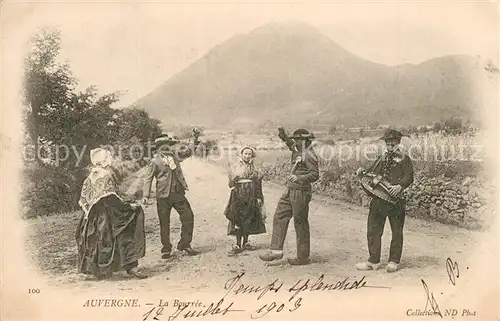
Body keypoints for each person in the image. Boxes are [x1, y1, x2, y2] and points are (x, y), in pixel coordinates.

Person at [75, 148, 147, 280]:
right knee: (125, 228)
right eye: (108, 158)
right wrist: (129, 206)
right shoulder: (106, 175)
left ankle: (100, 270)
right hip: (107, 213)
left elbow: (87, 199)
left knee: (95, 238)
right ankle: (131, 266)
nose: (111, 160)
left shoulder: (90, 177)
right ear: (104, 161)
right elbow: (112, 199)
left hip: (91, 216)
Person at [355, 129, 414, 273]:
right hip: (379, 199)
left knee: (396, 231)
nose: (390, 145)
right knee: (373, 229)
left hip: (396, 200)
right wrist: (362, 172)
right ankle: (373, 261)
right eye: (388, 143)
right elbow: (373, 172)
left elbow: (410, 176)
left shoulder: (405, 159)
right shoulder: (382, 158)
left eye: (393, 143)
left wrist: (400, 186)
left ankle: (394, 261)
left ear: (398, 143)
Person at [259, 127, 319, 265]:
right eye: (294, 140)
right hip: (290, 190)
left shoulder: (309, 154)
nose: (294, 142)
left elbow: (315, 175)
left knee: (300, 222)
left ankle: (303, 257)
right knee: (280, 215)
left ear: (304, 140)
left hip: (301, 192)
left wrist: (299, 178)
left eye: (297, 139)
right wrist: (282, 135)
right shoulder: (298, 149)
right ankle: (276, 251)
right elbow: (288, 143)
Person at [142, 131, 201, 259]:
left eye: (168, 145)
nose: (166, 147)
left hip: (178, 194)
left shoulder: (176, 157)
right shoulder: (154, 161)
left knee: (188, 216)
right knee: (164, 222)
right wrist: (146, 195)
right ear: (158, 148)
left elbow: (189, 152)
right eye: (163, 145)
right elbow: (148, 178)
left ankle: (185, 244)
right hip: (163, 195)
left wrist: (195, 139)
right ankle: (166, 248)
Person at [223, 146, 266, 256]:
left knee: (249, 217)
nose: (247, 156)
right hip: (238, 193)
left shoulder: (255, 167)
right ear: (241, 154)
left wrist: (259, 197)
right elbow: (230, 184)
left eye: (249, 154)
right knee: (237, 218)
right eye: (245, 153)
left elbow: (258, 184)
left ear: (252, 156)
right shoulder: (234, 166)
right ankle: (237, 244)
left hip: (251, 193)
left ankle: (246, 242)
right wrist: (235, 179)